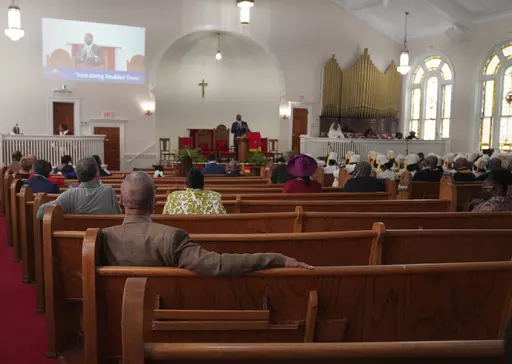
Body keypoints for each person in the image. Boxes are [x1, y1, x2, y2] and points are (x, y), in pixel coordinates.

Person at [101, 171, 312, 273]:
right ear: (155, 202)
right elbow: (219, 265)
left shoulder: (100, 239)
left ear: (120, 202)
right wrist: (275, 259)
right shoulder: (170, 238)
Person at [37, 157, 122, 220]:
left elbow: (40, 213)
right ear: (97, 173)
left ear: (77, 175)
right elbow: (118, 215)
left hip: (78, 241)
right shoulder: (108, 191)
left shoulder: (70, 194)